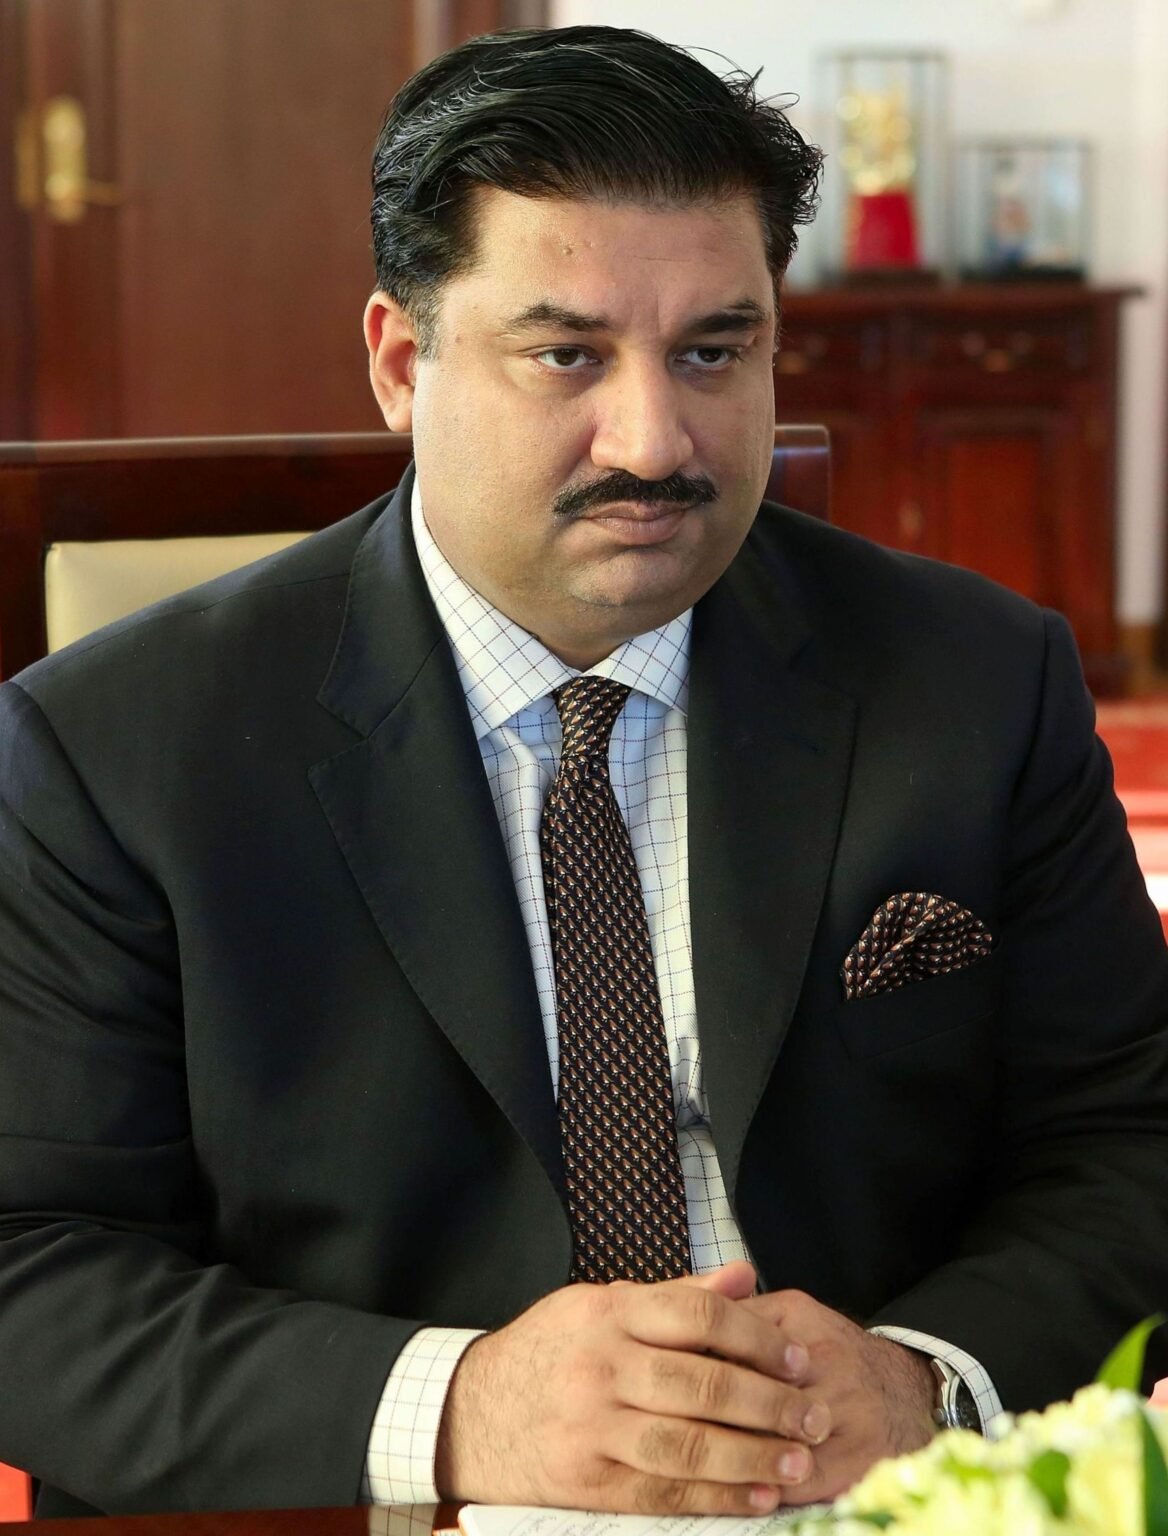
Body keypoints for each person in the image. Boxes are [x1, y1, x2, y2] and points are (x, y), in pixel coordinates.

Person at [1, 22, 1167, 1522]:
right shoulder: (116, 749)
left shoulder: (976, 681)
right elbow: (31, 1263)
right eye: (566, 354)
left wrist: (926, 1381)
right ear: (401, 364)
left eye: (713, 351)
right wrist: (457, 1410)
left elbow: (1126, 1138)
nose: (654, 440)